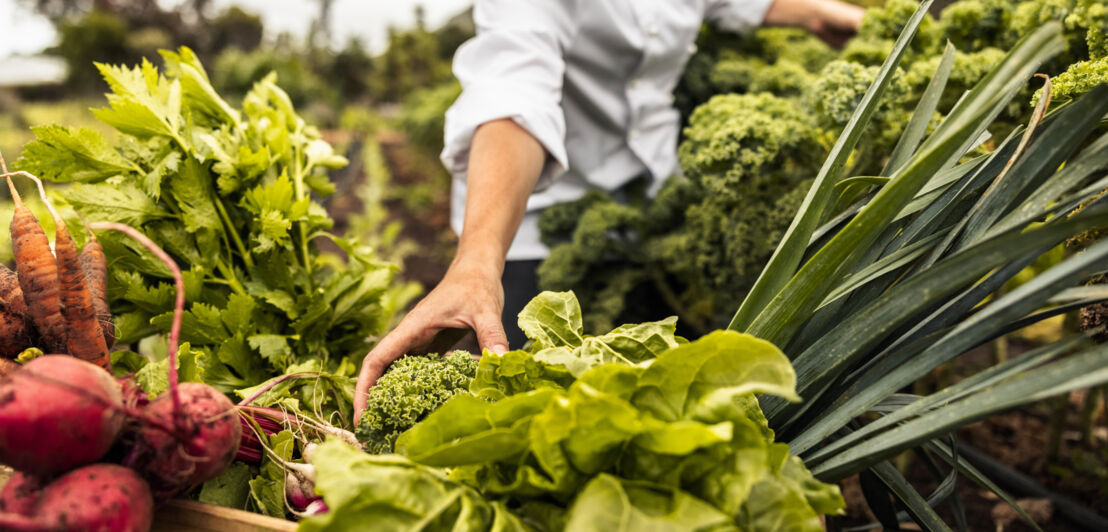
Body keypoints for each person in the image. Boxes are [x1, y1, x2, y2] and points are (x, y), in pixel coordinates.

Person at [355, 0, 865, 417]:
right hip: (534, 213)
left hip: (654, 207)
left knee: (665, 409)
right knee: (533, 413)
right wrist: (476, 265)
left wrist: (823, 15)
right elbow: (515, 92)